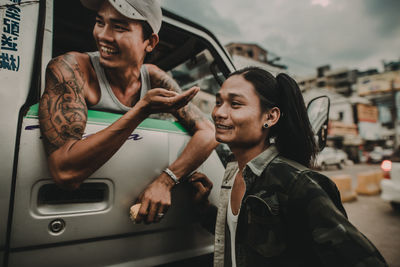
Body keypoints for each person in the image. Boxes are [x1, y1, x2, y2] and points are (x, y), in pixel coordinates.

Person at [38, 0, 217, 224]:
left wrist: (166, 181)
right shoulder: (70, 68)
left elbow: (208, 132)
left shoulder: (153, 78)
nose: (103, 35)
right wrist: (142, 110)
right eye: (99, 22)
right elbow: (65, 172)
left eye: (119, 27)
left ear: (149, 42)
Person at [191, 67, 387, 266]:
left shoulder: (297, 184)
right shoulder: (233, 172)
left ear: (270, 117)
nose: (219, 113)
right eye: (218, 102)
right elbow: (245, 235)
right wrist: (204, 209)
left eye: (235, 104)